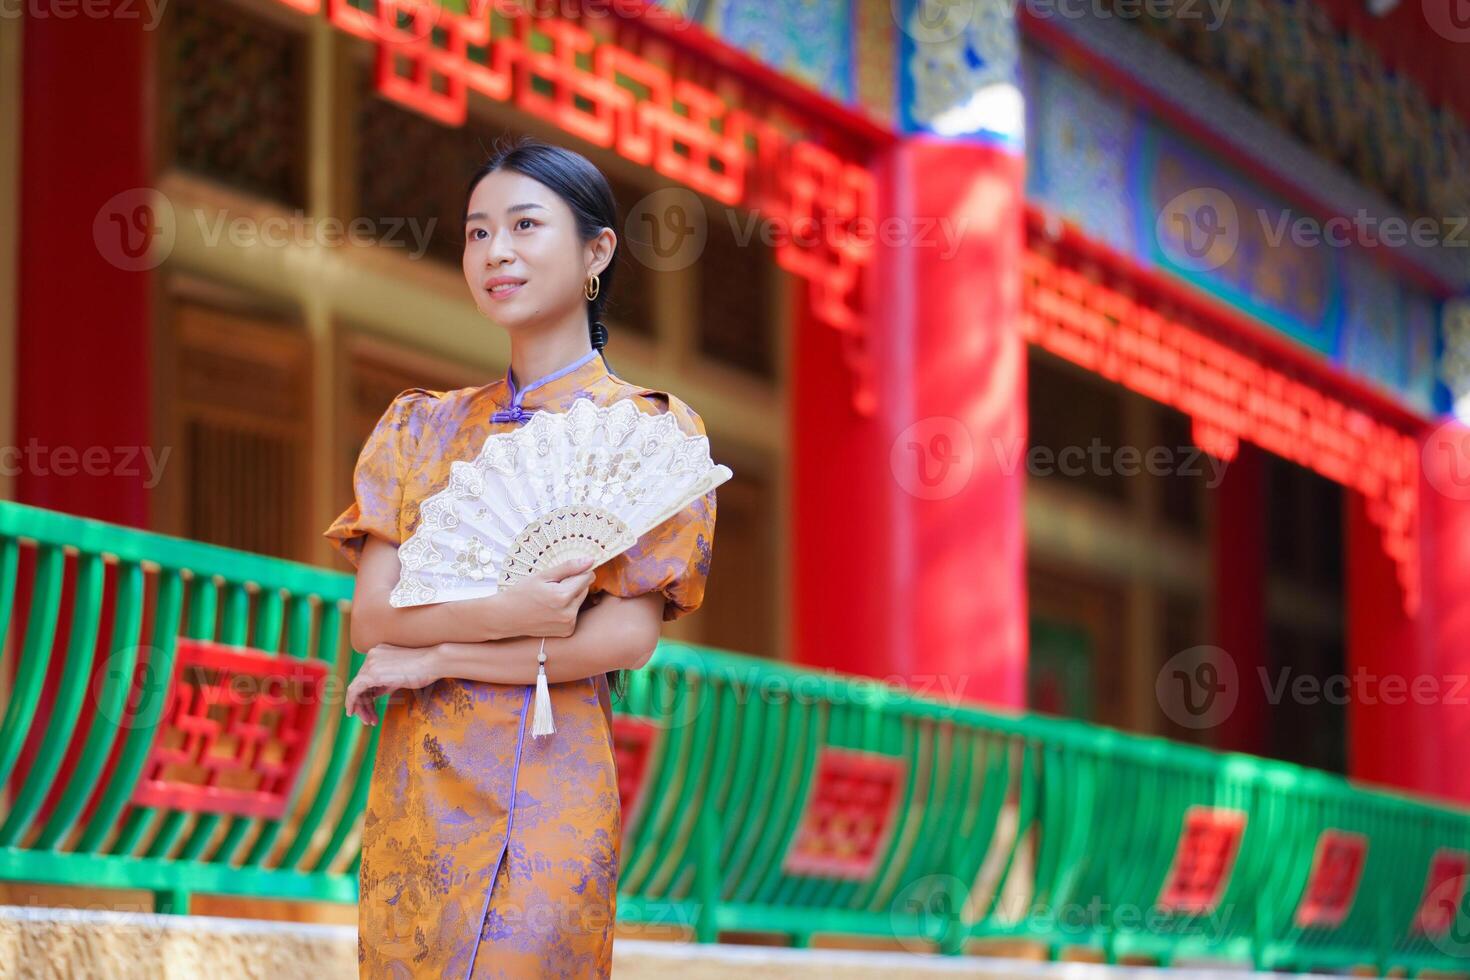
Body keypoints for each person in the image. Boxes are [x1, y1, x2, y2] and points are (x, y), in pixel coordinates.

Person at [323, 136, 718, 978]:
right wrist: (510, 614)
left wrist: (438, 654)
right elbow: (372, 619)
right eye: (476, 233)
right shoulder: (418, 427)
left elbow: (624, 642)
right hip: (421, 782)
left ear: (596, 251)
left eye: (525, 225)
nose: (495, 251)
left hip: (553, 779)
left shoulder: (650, 434)